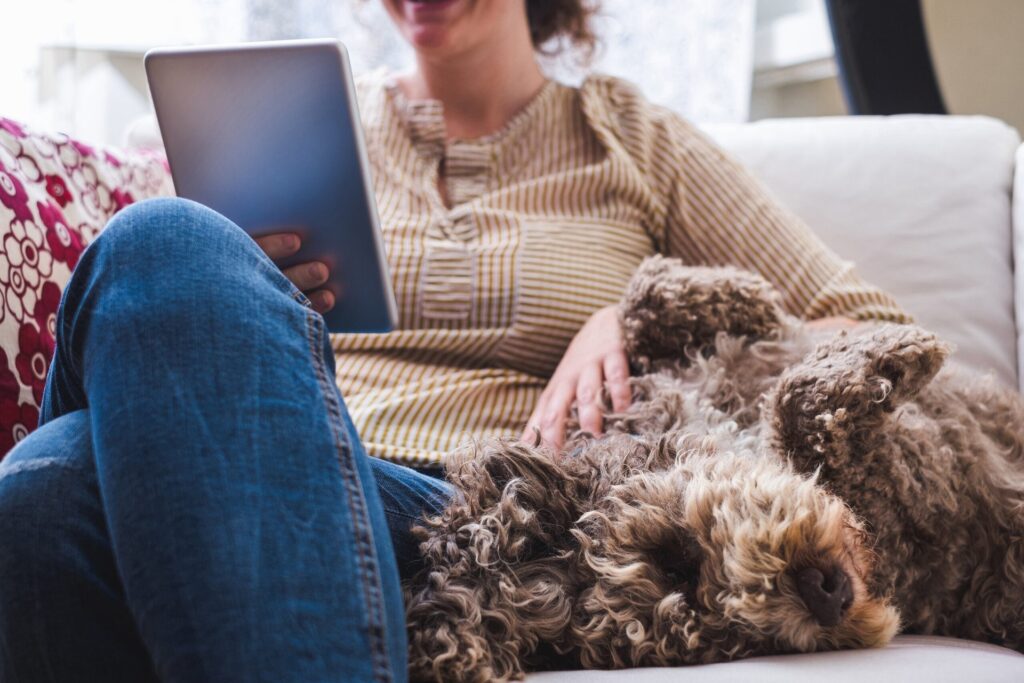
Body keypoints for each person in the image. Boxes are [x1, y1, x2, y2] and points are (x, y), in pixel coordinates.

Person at [0, 1, 908, 682]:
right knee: (154, 285)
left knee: (54, 473)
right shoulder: (297, 123)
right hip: (283, 451)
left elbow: (873, 327)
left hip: (487, 513)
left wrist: (640, 313)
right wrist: (243, 310)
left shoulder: (633, 139)